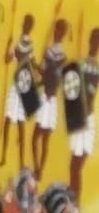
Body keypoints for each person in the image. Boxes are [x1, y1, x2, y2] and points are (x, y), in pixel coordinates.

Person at [32, 15, 69, 180]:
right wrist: (39, 71)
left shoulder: (56, 54)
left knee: (41, 139)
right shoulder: (56, 54)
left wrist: (39, 68)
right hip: (48, 98)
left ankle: (39, 169)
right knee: (39, 138)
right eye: (57, 29)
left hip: (49, 99)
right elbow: (48, 77)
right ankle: (38, 168)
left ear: (63, 33)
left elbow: (52, 77)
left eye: (61, 30)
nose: (57, 32)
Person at [66, 26, 99, 199]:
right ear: (89, 40)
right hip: (79, 116)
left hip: (88, 118)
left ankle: (74, 202)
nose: (95, 43)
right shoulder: (80, 63)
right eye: (94, 39)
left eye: (98, 41)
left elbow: (89, 93)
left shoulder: (95, 67)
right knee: (74, 166)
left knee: (76, 166)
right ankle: (74, 202)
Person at [2, 13, 39, 169]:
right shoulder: (16, 41)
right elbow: (6, 60)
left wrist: (40, 71)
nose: (26, 26)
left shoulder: (30, 44)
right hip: (15, 83)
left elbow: (33, 64)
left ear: (31, 27)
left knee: (21, 124)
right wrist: (8, 47)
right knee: (7, 122)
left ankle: (21, 162)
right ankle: (3, 156)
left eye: (29, 25)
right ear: (23, 24)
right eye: (26, 23)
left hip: (24, 84)